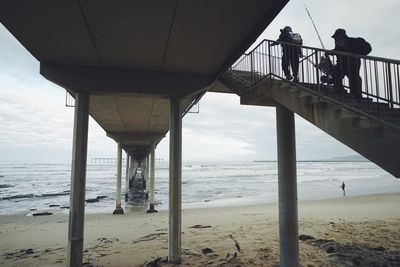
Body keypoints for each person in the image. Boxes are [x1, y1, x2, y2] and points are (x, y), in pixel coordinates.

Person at [330, 28, 371, 99]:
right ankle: (339, 91)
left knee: (354, 78)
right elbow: (337, 50)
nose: (336, 40)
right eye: (335, 39)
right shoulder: (338, 45)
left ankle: (356, 95)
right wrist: (332, 52)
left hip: (353, 64)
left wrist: (357, 54)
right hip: (341, 64)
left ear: (343, 37)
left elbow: (368, 48)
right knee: (336, 74)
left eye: (338, 38)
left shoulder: (354, 42)